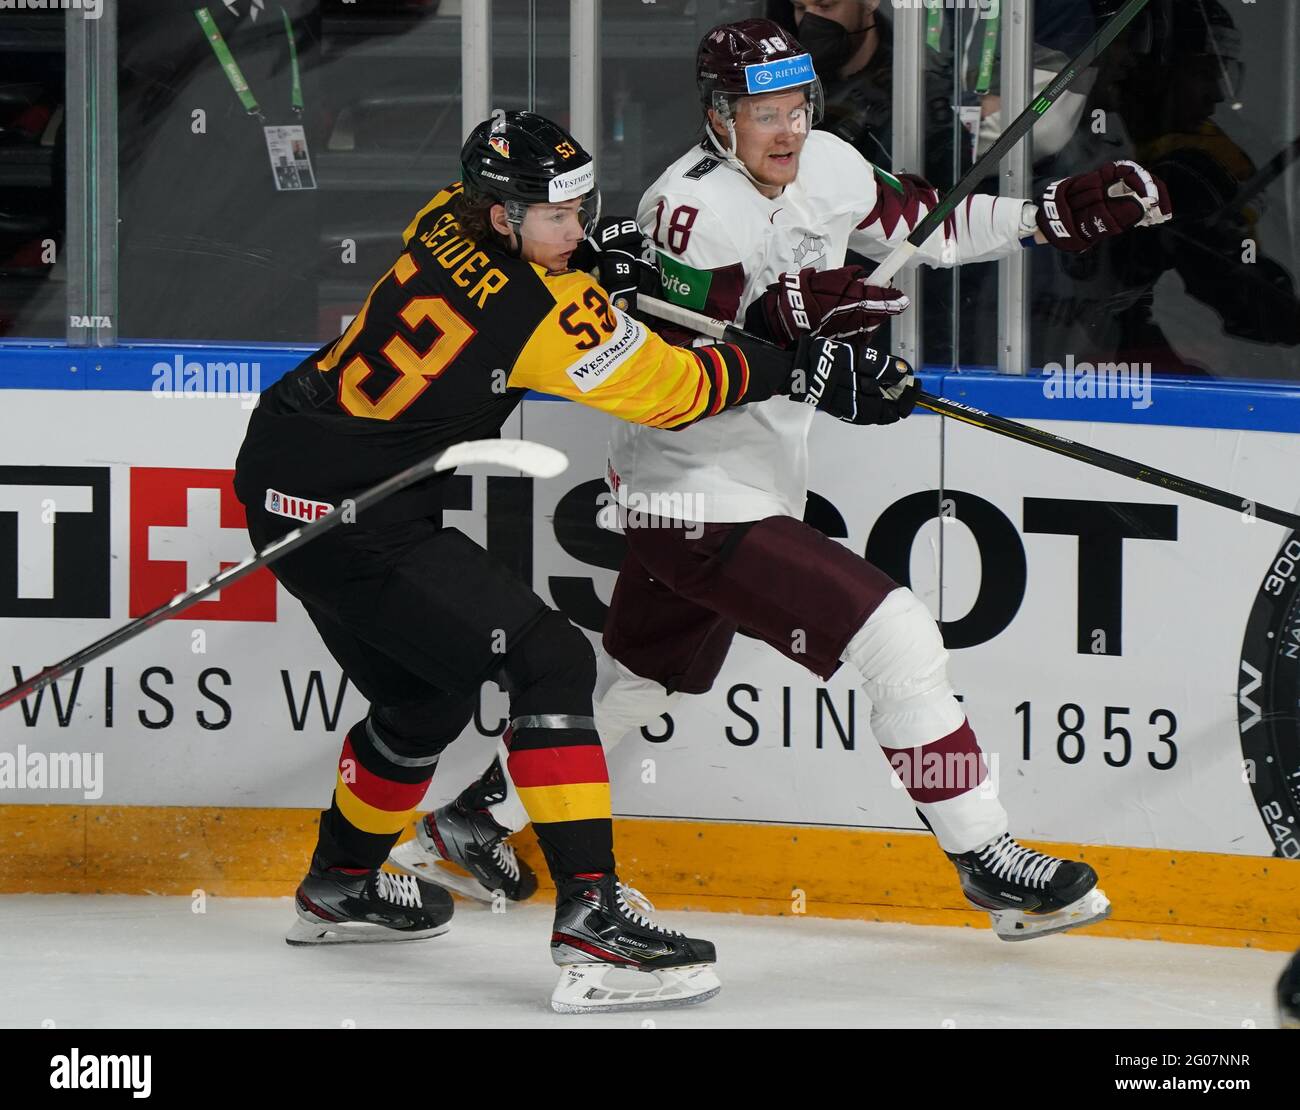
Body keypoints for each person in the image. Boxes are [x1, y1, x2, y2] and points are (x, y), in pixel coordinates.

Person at [432, 20, 1172, 944]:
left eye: (796, 108)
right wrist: (797, 338)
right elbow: (666, 364)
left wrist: (1044, 220)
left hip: (751, 481)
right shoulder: (686, 212)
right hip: (690, 492)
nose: (785, 132)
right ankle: (987, 859)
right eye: (760, 114)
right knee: (898, 637)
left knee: (634, 685)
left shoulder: (826, 163)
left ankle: (473, 818)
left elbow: (926, 226)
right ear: (716, 118)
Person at [233, 109, 905, 1011]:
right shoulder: (542, 315)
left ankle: (339, 885)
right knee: (547, 659)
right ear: (505, 216)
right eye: (561, 218)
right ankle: (594, 920)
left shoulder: (443, 215)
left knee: (421, 697)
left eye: (582, 212)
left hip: (283, 474)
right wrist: (797, 370)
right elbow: (682, 392)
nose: (578, 231)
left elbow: (557, 286)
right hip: (360, 516)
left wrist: (596, 266)